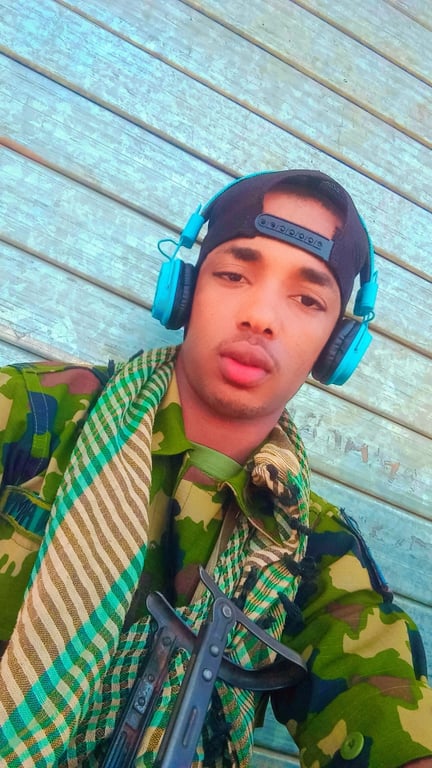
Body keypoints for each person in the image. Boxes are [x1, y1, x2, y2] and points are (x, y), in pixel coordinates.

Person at [0, 169, 431, 767]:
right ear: (185, 291)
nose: (261, 316)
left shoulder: (315, 549)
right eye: (233, 275)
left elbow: (384, 709)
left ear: (336, 348)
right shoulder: (35, 414)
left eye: (307, 299)